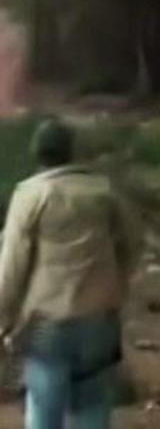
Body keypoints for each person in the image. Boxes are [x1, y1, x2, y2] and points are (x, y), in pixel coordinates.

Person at [0, 118, 141, 429]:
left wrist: (4, 320)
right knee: (93, 407)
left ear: (38, 154)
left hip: (47, 325)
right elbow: (132, 243)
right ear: (70, 151)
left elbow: (12, 265)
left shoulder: (30, 195)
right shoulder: (102, 192)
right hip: (99, 321)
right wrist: (117, 287)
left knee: (43, 410)